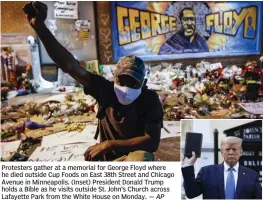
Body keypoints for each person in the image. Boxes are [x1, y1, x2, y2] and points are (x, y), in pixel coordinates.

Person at [23, 1, 163, 161]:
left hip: (132, 155)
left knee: (141, 159)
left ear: (143, 84)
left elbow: (152, 142)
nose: (125, 88)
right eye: (121, 81)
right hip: (107, 159)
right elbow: (70, 65)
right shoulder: (105, 90)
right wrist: (40, 28)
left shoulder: (149, 99)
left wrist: (110, 144)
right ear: (114, 78)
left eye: (133, 84)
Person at [181, 136, 262, 199]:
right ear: (222, 152)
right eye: (227, 149)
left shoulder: (252, 176)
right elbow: (191, 193)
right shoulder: (207, 172)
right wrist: (188, 165)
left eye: (234, 149)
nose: (231, 152)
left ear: (241, 152)